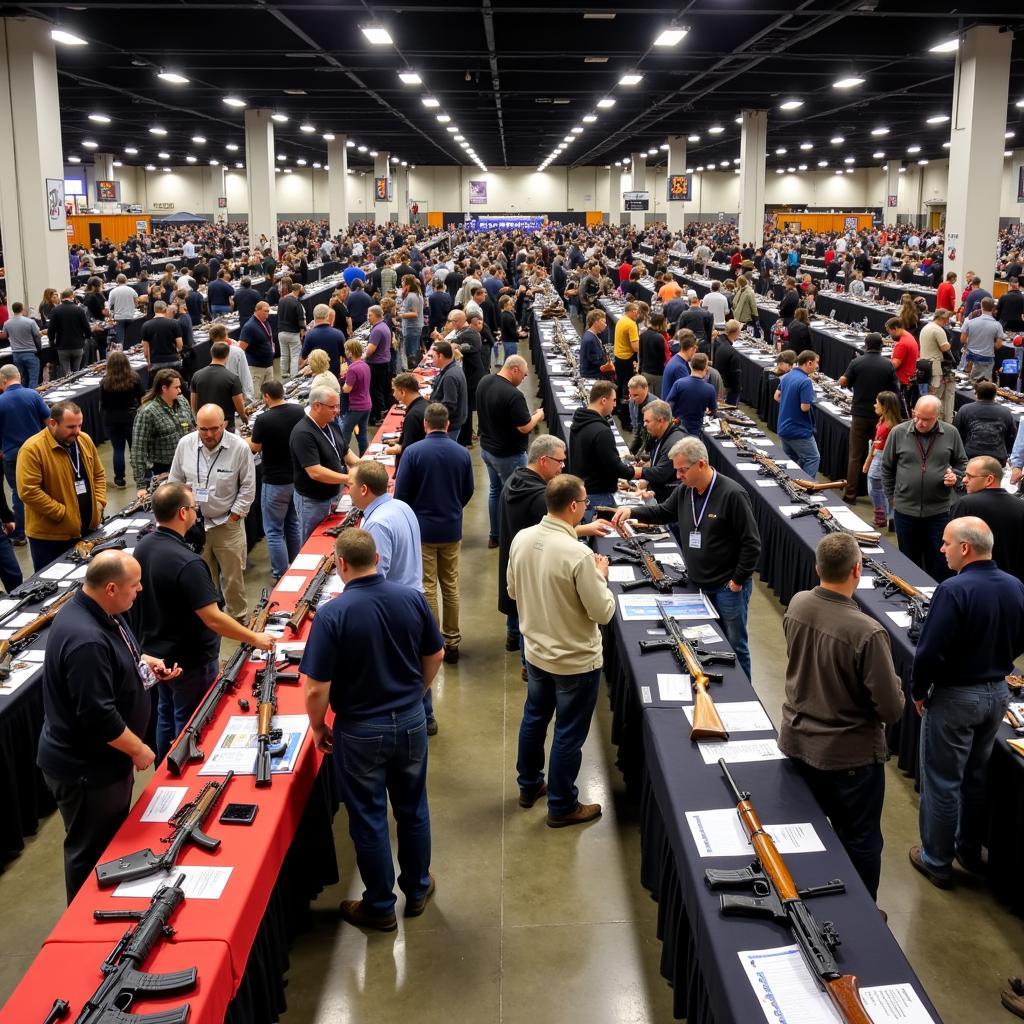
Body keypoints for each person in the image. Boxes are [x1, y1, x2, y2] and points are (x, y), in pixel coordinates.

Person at [301, 528, 443, 931]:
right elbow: (435, 653)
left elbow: (316, 687)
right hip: (411, 721)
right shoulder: (412, 598)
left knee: (368, 818)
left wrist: (316, 727)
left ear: (340, 564)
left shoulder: (333, 614)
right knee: (413, 809)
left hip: (361, 730)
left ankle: (380, 905)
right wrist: (417, 692)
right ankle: (417, 888)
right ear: (378, 559)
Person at [36, 551, 180, 901]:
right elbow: (97, 716)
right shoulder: (85, 640)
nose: (141, 590)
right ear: (112, 587)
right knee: (91, 853)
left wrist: (145, 666)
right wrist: (140, 749)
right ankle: (85, 923)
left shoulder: (101, 609)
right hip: (86, 770)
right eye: (135, 585)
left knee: (109, 844)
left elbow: (123, 656)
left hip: (102, 763)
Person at [779, 533, 904, 902]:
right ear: (857, 570)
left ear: (818, 568)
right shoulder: (867, 631)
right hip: (848, 758)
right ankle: (862, 910)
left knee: (807, 834)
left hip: (799, 743)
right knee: (861, 839)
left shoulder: (799, 603)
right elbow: (891, 709)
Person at [909, 517, 1024, 889]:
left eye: (945, 543)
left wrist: (919, 690)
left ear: (965, 548)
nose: (941, 549)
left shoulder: (953, 590)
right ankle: (969, 851)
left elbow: (928, 650)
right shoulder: (1014, 585)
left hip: (955, 697)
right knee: (975, 778)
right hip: (996, 695)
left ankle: (936, 861)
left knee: (943, 782)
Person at [132, 483, 274, 764]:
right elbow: (213, 617)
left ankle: (164, 765)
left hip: (157, 655)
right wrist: (254, 638)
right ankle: (182, 773)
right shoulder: (188, 563)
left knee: (165, 713)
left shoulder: (144, 546)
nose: (197, 514)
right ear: (183, 513)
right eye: (194, 509)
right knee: (191, 721)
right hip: (190, 662)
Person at [507, 474, 615, 827]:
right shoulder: (580, 555)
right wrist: (601, 576)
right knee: (568, 732)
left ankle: (529, 785)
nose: (585, 509)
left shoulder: (522, 538)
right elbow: (603, 612)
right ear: (573, 506)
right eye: (584, 503)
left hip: (536, 652)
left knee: (535, 718)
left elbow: (512, 590)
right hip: (574, 661)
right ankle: (562, 804)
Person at [612, 436, 760, 679]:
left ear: (701, 464)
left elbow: (751, 543)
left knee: (735, 645)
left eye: (682, 470)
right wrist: (632, 511)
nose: (678, 476)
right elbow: (663, 512)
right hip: (697, 583)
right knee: (705, 641)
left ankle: (745, 693)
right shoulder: (686, 491)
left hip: (726, 587)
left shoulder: (733, 494)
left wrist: (737, 581)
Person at [394, 403, 474, 666]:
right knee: (450, 585)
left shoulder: (412, 453)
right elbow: (468, 491)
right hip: (451, 528)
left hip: (422, 531)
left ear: (425, 424)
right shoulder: (462, 453)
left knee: (427, 586)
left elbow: (401, 495)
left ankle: (432, 642)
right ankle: (452, 640)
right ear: (448, 424)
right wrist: (452, 508)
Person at [168, 404, 256, 622]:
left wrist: (234, 515)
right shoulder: (185, 444)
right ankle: (209, 620)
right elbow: (175, 482)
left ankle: (237, 619)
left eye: (214, 429)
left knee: (233, 578)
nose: (208, 434)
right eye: (203, 429)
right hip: (194, 525)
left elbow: (248, 486)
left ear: (224, 424)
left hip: (227, 524)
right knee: (202, 578)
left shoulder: (239, 448)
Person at [881, 393, 967, 581]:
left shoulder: (951, 433)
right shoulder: (898, 432)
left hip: (939, 511)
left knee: (939, 561)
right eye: (916, 416)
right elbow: (886, 468)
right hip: (905, 511)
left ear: (938, 416)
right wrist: (892, 498)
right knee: (908, 561)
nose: (920, 422)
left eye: (926, 419)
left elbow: (962, 463)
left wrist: (957, 477)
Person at [17, 400, 106, 571]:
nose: (77, 432)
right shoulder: (32, 449)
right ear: (52, 424)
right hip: (50, 539)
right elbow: (29, 491)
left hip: (87, 530)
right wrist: (63, 513)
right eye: (71, 427)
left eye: (80, 425)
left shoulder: (84, 440)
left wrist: (99, 503)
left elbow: (99, 474)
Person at [475, 355, 544, 547]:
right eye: (523, 375)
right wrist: (537, 416)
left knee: (495, 491)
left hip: (487, 449)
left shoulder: (485, 381)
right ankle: (513, 538)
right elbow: (524, 427)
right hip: (508, 455)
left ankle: (495, 535)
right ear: (514, 370)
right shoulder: (513, 395)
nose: (523, 379)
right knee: (515, 497)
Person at [248, 379, 305, 579]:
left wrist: (244, 440)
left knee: (273, 530)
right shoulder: (298, 411)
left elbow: (255, 448)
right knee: (292, 523)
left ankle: (281, 573)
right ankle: (297, 566)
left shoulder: (263, 420)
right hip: (296, 479)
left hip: (274, 482)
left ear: (265, 396)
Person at [839, 332, 900, 502]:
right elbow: (895, 391)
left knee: (855, 455)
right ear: (882, 346)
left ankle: (850, 495)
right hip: (880, 418)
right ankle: (881, 499)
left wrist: (847, 382)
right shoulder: (888, 365)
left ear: (866, 345)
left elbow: (844, 381)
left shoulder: (856, 362)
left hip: (859, 414)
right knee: (880, 456)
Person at [290, 385, 356, 541]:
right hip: (312, 501)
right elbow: (315, 472)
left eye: (338, 406)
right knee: (312, 542)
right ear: (316, 406)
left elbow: (346, 452)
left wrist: (364, 466)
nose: (337, 411)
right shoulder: (303, 433)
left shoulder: (331, 424)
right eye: (332, 407)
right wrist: (347, 478)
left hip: (335, 494)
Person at [0, 363, 51, 543]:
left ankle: (20, 534)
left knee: (19, 494)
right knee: (44, 489)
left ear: (3, 380)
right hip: (38, 453)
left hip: (12, 456)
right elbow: (49, 421)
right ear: (19, 377)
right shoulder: (33, 395)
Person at [954, 455, 1024, 580]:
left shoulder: (966, 504)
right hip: (1015, 585)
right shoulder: (1021, 506)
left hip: (973, 582)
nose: (964, 480)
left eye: (970, 476)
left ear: (989, 479)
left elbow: (954, 546)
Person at [568, 380, 633, 508]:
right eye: (613, 400)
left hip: (582, 491)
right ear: (604, 400)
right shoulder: (602, 431)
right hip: (599, 496)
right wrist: (633, 472)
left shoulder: (578, 422)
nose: (615, 405)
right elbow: (614, 465)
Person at [130, 369, 195, 495]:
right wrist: (140, 485)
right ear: (164, 388)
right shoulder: (147, 412)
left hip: (187, 464)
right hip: (163, 470)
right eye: (176, 387)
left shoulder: (182, 402)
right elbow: (138, 450)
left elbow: (192, 428)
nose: (180, 391)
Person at [99, 352, 143, 489]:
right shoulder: (134, 378)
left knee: (118, 449)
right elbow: (142, 397)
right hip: (130, 417)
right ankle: (139, 477)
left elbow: (103, 404)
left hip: (111, 420)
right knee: (134, 449)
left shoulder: (105, 381)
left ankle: (119, 479)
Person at [774, 349, 820, 479]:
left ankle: (789, 484)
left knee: (789, 461)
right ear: (809, 363)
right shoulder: (805, 381)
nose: (817, 366)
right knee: (812, 458)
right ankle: (807, 487)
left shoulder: (787, 375)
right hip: (798, 430)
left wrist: (790, 402)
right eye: (816, 363)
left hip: (783, 427)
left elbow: (777, 396)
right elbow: (805, 407)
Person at [863, 391, 902, 530]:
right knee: (883, 489)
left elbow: (880, 445)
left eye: (877, 403)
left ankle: (881, 517)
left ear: (884, 406)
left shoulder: (888, 426)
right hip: (879, 456)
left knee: (875, 488)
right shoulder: (886, 422)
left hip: (881, 458)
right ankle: (889, 517)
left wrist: (870, 459)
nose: (874, 405)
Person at [634, 400, 686, 503]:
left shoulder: (673, 442)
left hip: (667, 500)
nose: (644, 425)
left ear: (661, 421)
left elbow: (661, 473)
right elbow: (657, 459)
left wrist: (635, 471)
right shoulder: (660, 435)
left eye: (647, 421)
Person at [952, 380, 1016, 463]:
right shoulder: (1006, 412)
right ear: (995, 395)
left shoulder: (965, 409)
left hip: (970, 456)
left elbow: (956, 432)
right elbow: (1012, 436)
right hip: (998, 457)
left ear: (976, 394)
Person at [189, 341, 247, 432]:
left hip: (204, 425)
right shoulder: (232, 378)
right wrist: (244, 417)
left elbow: (193, 404)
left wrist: (198, 420)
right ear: (227, 355)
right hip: (225, 426)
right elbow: (239, 405)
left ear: (211, 354)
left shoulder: (196, 375)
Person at [666, 351, 717, 434]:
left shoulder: (679, 384)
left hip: (678, 430)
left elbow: (668, 404)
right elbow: (712, 411)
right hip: (695, 431)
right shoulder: (710, 389)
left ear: (690, 365)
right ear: (705, 368)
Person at [919, 307, 955, 422]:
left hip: (925, 364)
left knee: (929, 394)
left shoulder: (926, 327)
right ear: (942, 318)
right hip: (935, 367)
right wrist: (950, 344)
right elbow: (945, 347)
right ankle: (934, 420)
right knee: (936, 396)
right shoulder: (938, 330)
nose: (948, 321)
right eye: (947, 318)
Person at [384, 373, 428, 464]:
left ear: (403, 392)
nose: (393, 394)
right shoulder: (426, 404)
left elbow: (409, 447)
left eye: (394, 390)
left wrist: (392, 450)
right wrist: (399, 440)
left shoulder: (413, 415)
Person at [429, 340, 468, 439]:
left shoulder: (450, 376)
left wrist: (430, 408)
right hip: (454, 422)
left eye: (433, 356)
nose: (432, 360)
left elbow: (449, 405)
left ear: (441, 356)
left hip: (449, 426)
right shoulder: (453, 368)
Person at [47, 289, 92, 375]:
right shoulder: (79, 310)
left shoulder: (56, 310)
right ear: (72, 297)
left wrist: (52, 341)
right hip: (77, 345)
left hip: (62, 346)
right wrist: (86, 337)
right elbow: (87, 327)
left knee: (66, 373)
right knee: (76, 372)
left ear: (62, 297)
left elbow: (51, 329)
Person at [961, 296, 1005, 383]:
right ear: (993, 309)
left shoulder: (970, 322)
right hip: (987, 357)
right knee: (985, 383)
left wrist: (971, 343)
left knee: (969, 382)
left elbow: (962, 340)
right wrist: (988, 346)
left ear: (981, 306)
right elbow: (999, 344)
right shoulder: (997, 325)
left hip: (970, 356)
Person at [340, 339, 372, 456]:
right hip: (366, 404)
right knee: (362, 434)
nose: (345, 352)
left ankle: (342, 458)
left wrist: (343, 383)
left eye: (347, 350)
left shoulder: (353, 368)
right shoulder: (365, 365)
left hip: (355, 407)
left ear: (351, 352)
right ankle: (364, 456)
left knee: (345, 434)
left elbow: (347, 389)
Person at [1, 301, 43, 388]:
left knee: (20, 378)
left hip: (16, 354)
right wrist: (39, 347)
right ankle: (32, 395)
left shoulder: (7, 323)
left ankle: (21, 393)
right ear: (22, 309)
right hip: (30, 352)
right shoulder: (30, 322)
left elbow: (4, 335)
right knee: (33, 378)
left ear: (13, 310)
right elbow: (37, 336)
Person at [208, 323, 254, 401]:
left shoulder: (235, 350)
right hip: (232, 391)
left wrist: (247, 395)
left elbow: (244, 373)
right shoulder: (217, 349)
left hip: (237, 392)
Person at [238, 300, 276, 394]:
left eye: (268, 311)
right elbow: (241, 348)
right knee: (256, 396)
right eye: (265, 311)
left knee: (270, 394)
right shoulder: (249, 327)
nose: (267, 313)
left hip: (268, 365)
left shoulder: (265, 322)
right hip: (256, 368)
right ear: (257, 310)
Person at [885, 317, 920, 415]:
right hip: (908, 376)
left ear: (895, 328)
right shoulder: (909, 336)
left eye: (889, 331)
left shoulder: (902, 343)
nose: (889, 334)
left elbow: (894, 365)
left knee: (897, 410)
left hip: (901, 380)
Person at [365, 304, 393, 423]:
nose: (368, 318)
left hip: (376, 365)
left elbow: (370, 350)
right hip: (384, 363)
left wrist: (360, 358)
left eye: (370, 315)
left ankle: (375, 417)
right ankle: (384, 412)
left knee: (374, 392)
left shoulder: (377, 330)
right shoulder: (384, 326)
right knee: (383, 390)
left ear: (376, 315)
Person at [612, 303, 640, 421]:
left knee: (620, 382)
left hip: (618, 356)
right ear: (633, 311)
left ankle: (615, 407)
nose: (638, 315)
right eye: (637, 312)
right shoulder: (631, 324)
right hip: (627, 358)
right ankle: (625, 416)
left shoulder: (621, 320)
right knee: (627, 387)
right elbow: (635, 347)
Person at [301, 304, 344, 379]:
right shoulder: (338, 334)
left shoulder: (310, 335)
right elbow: (344, 356)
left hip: (317, 376)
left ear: (314, 316)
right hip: (334, 376)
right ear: (327, 316)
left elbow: (303, 358)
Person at [141, 300, 184, 372]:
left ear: (154, 310)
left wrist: (149, 363)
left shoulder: (146, 326)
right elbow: (180, 345)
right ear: (165, 309)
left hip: (156, 362)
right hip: (173, 360)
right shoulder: (174, 323)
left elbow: (146, 351)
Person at [277, 281, 306, 379]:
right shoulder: (297, 304)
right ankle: (294, 377)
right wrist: (302, 334)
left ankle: (284, 374)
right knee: (295, 356)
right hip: (293, 333)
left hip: (281, 332)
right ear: (297, 290)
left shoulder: (281, 301)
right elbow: (301, 322)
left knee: (284, 355)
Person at [712, 319, 743, 405]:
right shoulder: (733, 353)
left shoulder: (719, 343)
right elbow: (736, 375)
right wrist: (738, 390)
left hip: (719, 385)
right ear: (737, 332)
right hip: (728, 389)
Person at [579, 309, 607, 377]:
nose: (605, 325)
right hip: (592, 375)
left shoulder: (590, 335)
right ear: (596, 322)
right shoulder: (590, 339)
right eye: (603, 322)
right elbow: (595, 361)